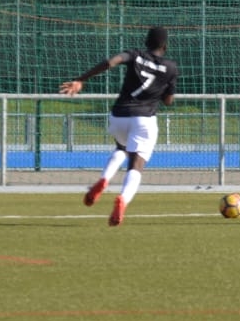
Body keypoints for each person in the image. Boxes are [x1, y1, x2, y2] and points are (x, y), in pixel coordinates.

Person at [59, 26, 179, 226]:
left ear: (146, 42)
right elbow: (168, 101)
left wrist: (81, 79)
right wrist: (160, 89)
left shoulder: (135, 55)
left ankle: (104, 179)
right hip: (144, 119)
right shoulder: (171, 67)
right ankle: (122, 199)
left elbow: (110, 62)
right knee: (136, 164)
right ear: (165, 46)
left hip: (119, 116)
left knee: (121, 148)